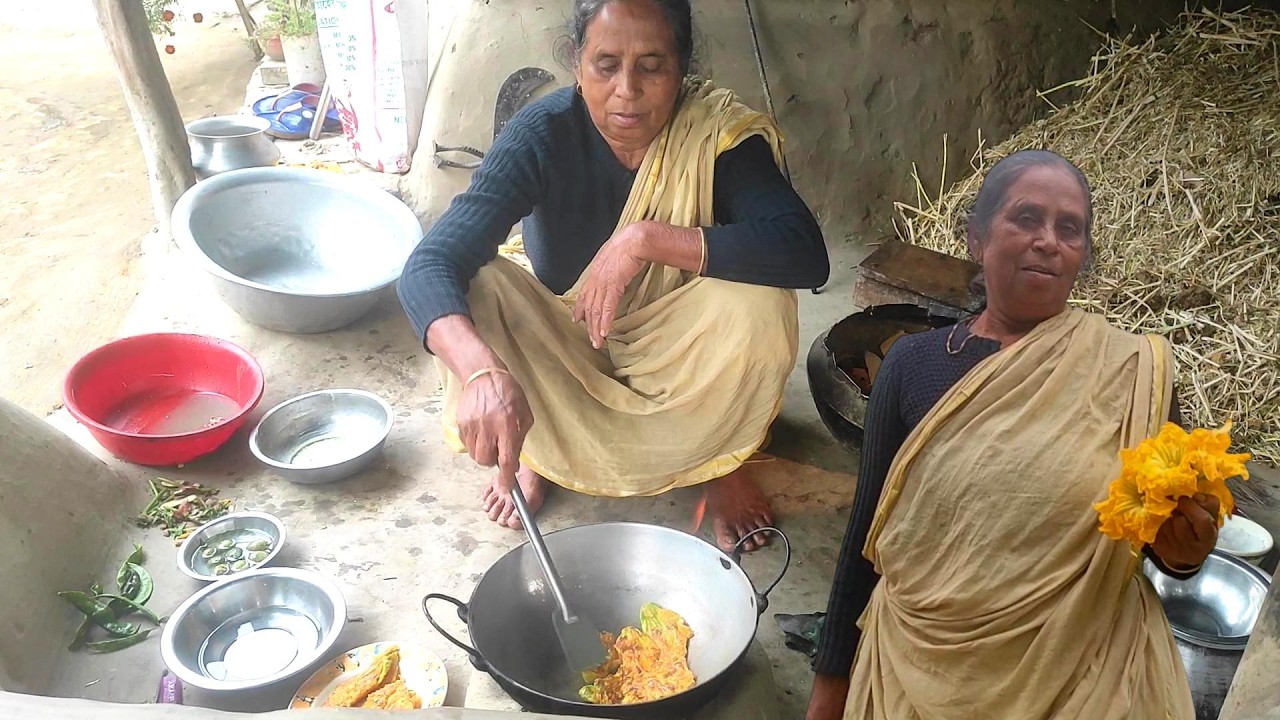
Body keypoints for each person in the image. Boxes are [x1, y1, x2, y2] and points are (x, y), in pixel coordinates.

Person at [397, 0, 829, 552]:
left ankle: (718, 459)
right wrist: (482, 374)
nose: (627, 89)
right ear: (577, 65)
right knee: (480, 291)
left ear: (682, 70)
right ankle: (541, 452)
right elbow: (430, 265)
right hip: (566, 339)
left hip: (677, 346)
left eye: (652, 66)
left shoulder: (713, 135)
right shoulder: (544, 134)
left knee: (759, 304)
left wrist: (645, 239)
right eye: (606, 65)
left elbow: (803, 251)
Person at [805, 150, 1216, 720]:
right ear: (977, 237)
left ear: (1082, 254)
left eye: (1068, 228)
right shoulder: (913, 367)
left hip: (1082, 677)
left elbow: (1155, 544)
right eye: (1026, 218)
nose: (1048, 240)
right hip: (919, 669)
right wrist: (831, 684)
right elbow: (866, 537)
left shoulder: (1131, 374)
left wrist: (1185, 556)